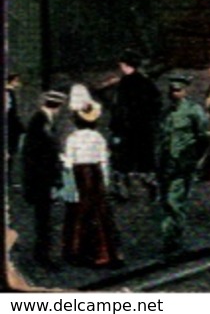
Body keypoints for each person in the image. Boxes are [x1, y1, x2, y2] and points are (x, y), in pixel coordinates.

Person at [61, 100, 121, 269]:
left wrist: (69, 186)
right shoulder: (98, 138)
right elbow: (103, 162)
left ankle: (77, 253)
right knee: (99, 214)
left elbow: (68, 163)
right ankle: (103, 254)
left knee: (78, 214)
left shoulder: (72, 138)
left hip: (80, 177)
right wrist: (106, 184)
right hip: (96, 177)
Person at [156, 74, 209, 256]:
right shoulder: (165, 112)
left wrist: (196, 158)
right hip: (166, 164)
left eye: (177, 90)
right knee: (166, 202)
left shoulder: (194, 111)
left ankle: (173, 241)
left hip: (183, 162)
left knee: (174, 202)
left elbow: (204, 137)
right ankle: (170, 239)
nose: (174, 94)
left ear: (185, 91)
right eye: (171, 90)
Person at [23, 88, 68, 271]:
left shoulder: (43, 119)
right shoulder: (41, 123)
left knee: (45, 218)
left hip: (41, 178)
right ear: (57, 106)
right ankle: (43, 256)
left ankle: (42, 253)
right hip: (40, 179)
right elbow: (40, 155)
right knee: (44, 219)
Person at [107, 52, 161, 201]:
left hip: (127, 129)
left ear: (124, 65)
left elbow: (120, 108)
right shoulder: (146, 81)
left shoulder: (124, 83)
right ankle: (152, 188)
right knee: (144, 162)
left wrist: (116, 125)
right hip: (144, 128)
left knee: (122, 162)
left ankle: (123, 192)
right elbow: (156, 103)